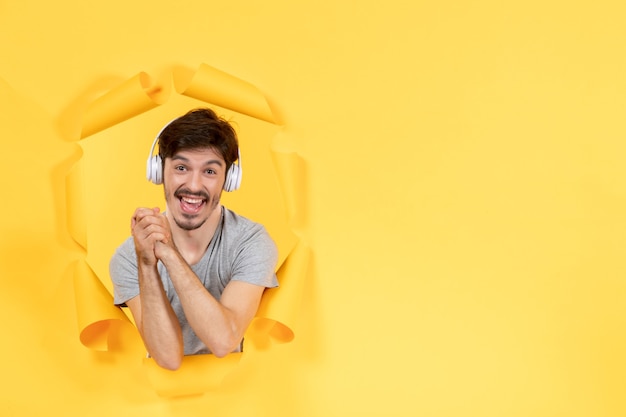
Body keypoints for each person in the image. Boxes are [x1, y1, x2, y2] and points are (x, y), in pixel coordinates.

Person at [109, 108, 278, 370]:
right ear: (158, 171)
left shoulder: (251, 242)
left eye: (210, 171)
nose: (194, 186)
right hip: (163, 402)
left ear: (229, 179)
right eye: (181, 167)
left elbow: (223, 341)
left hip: (237, 395)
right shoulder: (128, 258)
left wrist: (169, 254)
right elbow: (167, 357)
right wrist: (147, 264)